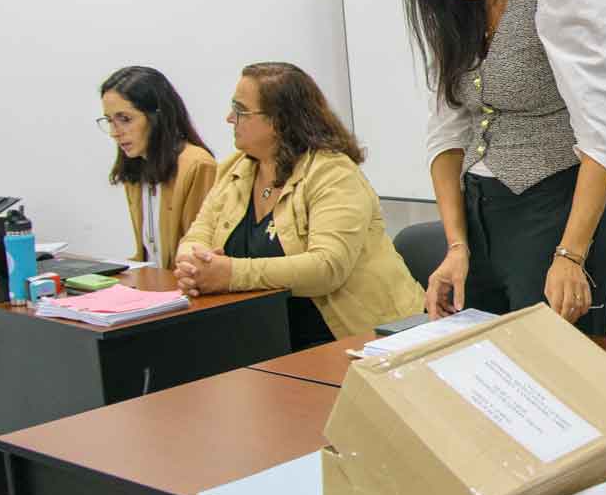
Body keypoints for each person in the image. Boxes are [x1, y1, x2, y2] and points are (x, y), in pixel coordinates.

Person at [398, 0, 606, 336]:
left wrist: (571, 255)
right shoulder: (457, 11)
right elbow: (446, 134)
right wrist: (456, 245)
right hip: (478, 224)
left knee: (554, 374)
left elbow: (599, 139)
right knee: (483, 371)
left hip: (553, 219)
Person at [175, 61, 422, 347]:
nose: (230, 118)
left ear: (278, 121)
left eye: (240, 111)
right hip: (266, 338)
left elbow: (327, 268)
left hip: (355, 339)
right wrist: (193, 265)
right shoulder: (236, 168)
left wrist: (231, 274)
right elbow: (197, 235)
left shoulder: (332, 172)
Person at [98, 66, 218, 269]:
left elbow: (197, 260)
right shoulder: (136, 167)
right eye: (110, 120)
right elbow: (148, 257)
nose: (114, 132)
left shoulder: (197, 165)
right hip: (154, 284)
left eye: (125, 119)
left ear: (157, 117)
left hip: (184, 285)